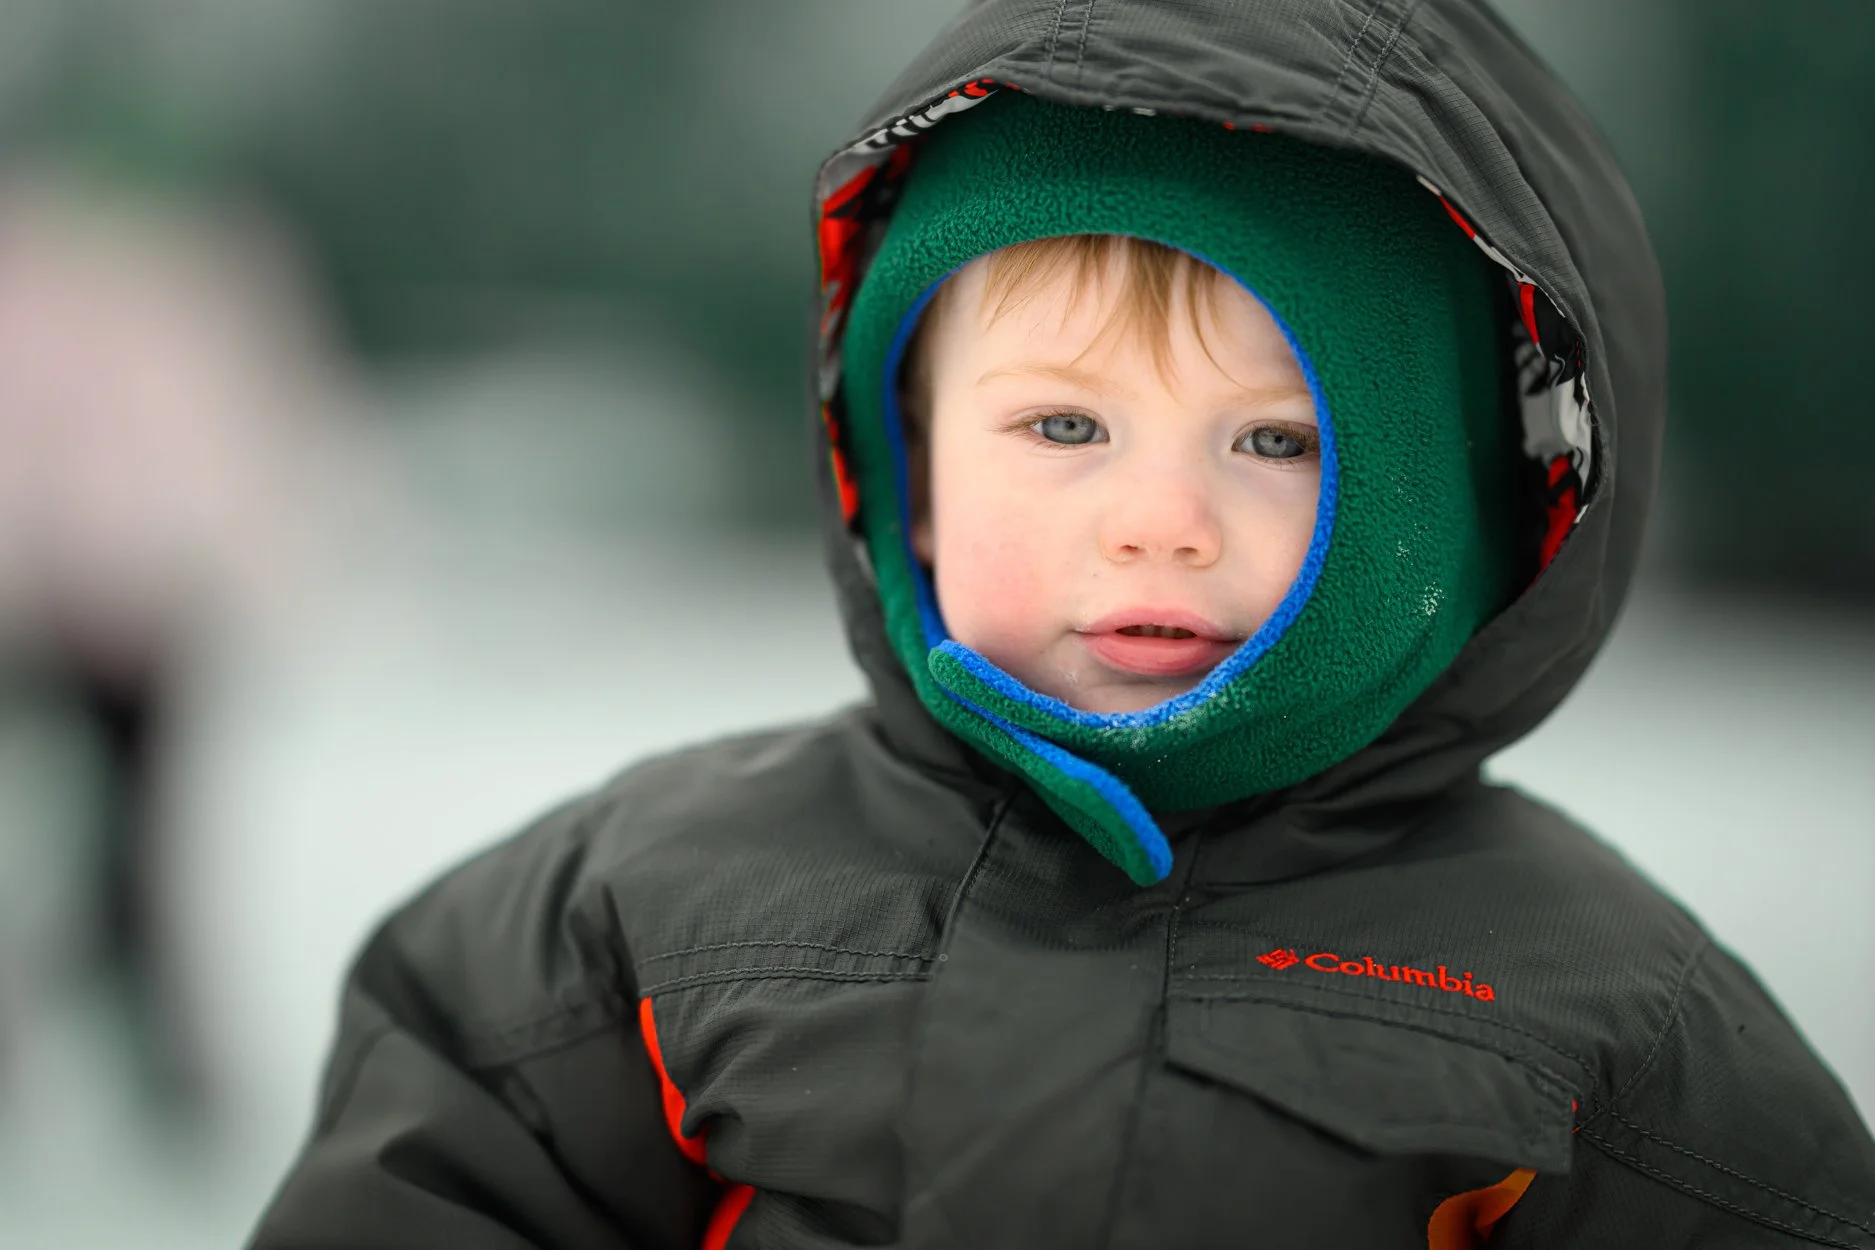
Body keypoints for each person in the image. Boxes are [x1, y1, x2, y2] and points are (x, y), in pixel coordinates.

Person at [249, 3, 1875, 1246]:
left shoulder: (1605, 1004)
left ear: (1447, 504)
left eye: (1275, 439)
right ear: (910, 480)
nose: (1156, 517)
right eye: (1062, 428)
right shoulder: (633, 914)